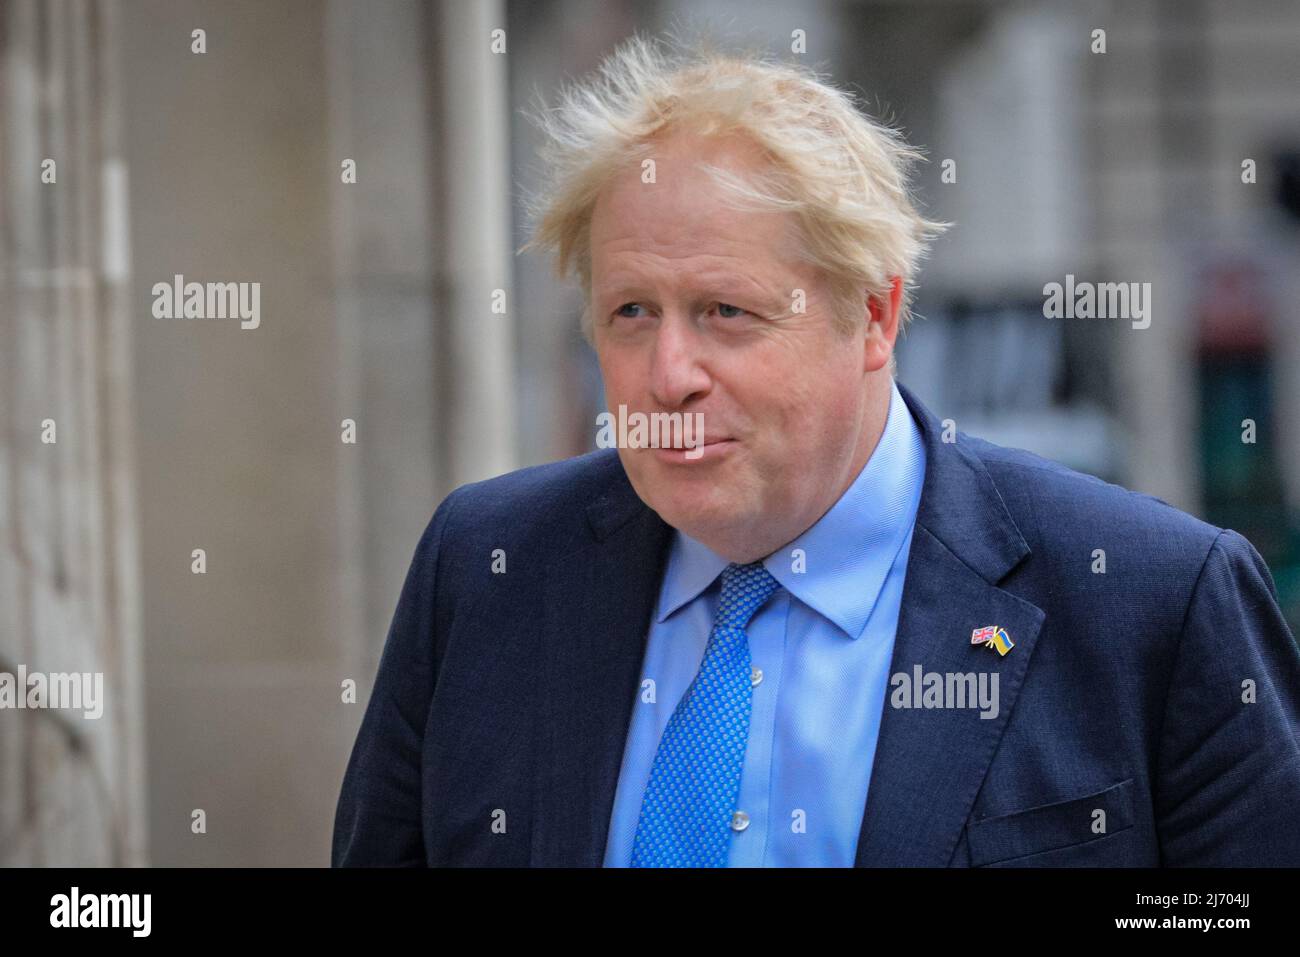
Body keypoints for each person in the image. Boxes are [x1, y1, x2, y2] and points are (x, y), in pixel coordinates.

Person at [332, 35, 1300, 867]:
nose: (669, 373)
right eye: (631, 312)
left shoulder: (1152, 605)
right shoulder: (486, 571)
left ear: (873, 314)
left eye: (725, 312)